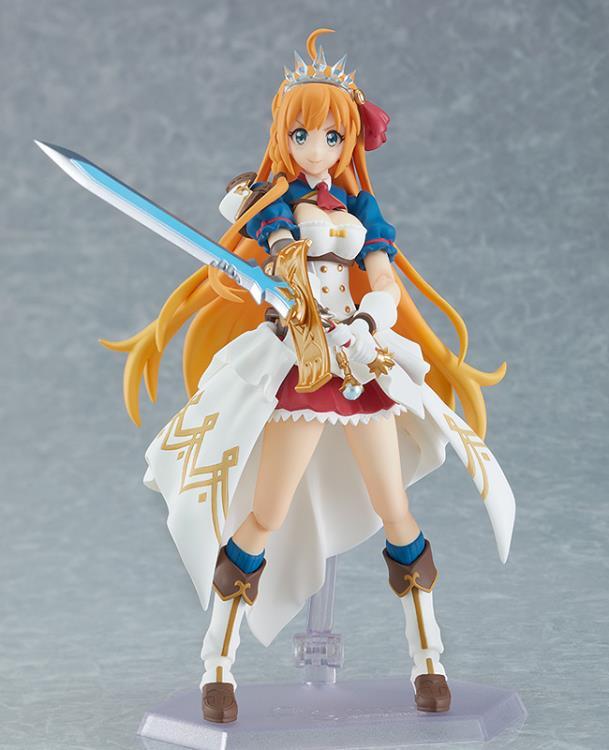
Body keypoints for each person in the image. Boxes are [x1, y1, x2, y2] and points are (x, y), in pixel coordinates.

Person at [102, 28, 515, 724]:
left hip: (356, 362)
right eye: (302, 135)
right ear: (282, 137)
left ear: (348, 140)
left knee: (396, 511)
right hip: (299, 364)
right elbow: (261, 240)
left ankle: (429, 660)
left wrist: (370, 319)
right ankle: (217, 667)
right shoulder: (273, 201)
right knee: (266, 514)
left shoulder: (360, 211)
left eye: (330, 136)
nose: (316, 149)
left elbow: (383, 278)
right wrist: (272, 262)